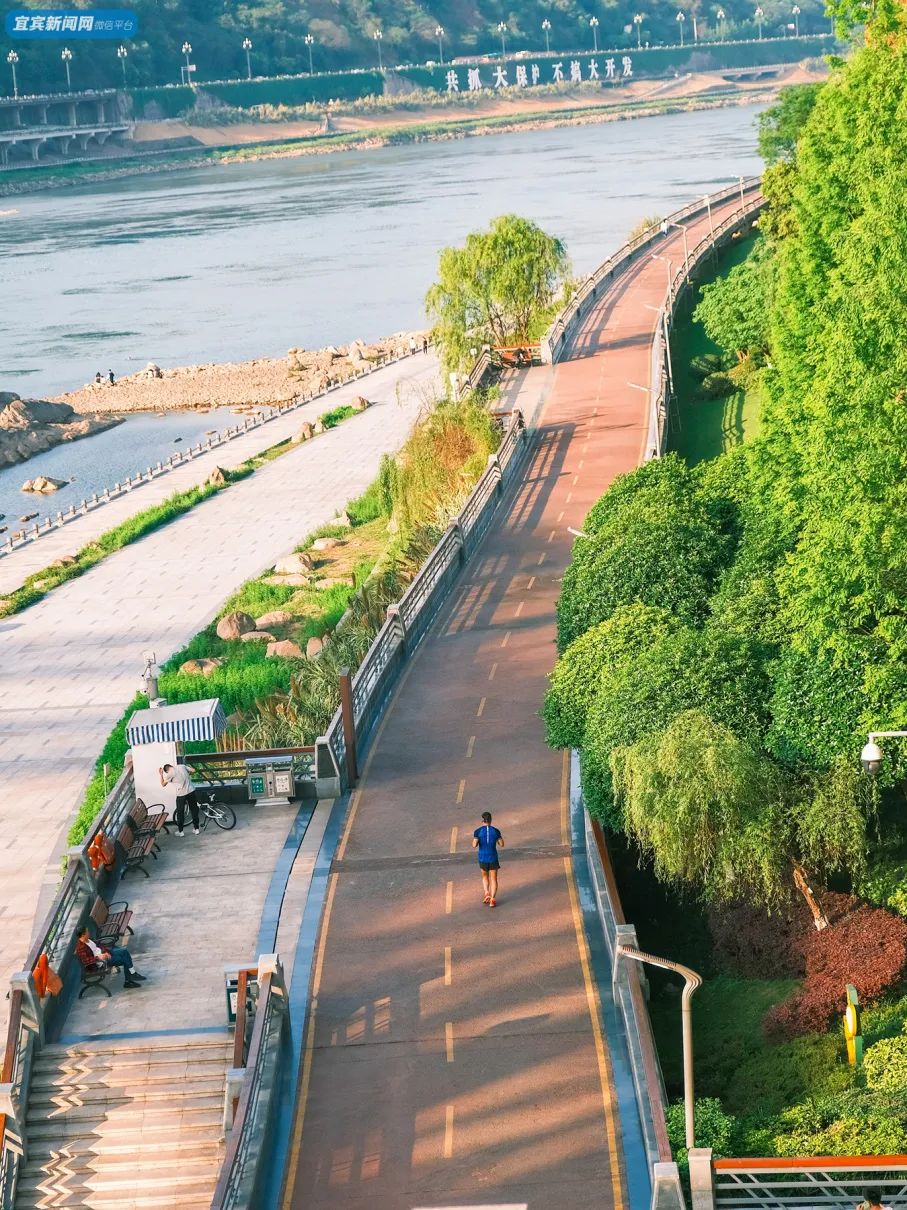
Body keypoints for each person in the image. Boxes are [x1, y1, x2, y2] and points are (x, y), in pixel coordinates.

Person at [76, 926, 146, 989]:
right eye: (87, 931)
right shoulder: (81, 947)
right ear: (83, 935)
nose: (89, 932)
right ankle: (128, 980)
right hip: (101, 962)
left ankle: (132, 974)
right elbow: (86, 961)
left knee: (124, 951)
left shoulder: (88, 939)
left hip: (106, 954)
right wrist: (99, 957)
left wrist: (105, 952)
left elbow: (99, 945)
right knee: (124, 960)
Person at [472, 810, 504, 907]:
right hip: (493, 857)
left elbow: (474, 845)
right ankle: (493, 899)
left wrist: (478, 841)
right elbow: (502, 844)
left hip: (483, 858)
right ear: (490, 820)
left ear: (482, 820)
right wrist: (496, 840)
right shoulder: (496, 831)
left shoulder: (478, 831)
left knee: (485, 876)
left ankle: (486, 892)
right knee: (494, 878)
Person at [159, 761, 199, 836]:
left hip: (181, 795)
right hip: (191, 791)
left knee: (180, 812)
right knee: (194, 810)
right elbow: (194, 770)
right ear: (171, 766)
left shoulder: (169, 774)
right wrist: (188, 774)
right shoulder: (182, 766)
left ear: (166, 770)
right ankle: (196, 829)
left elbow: (163, 784)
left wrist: (161, 774)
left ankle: (181, 832)